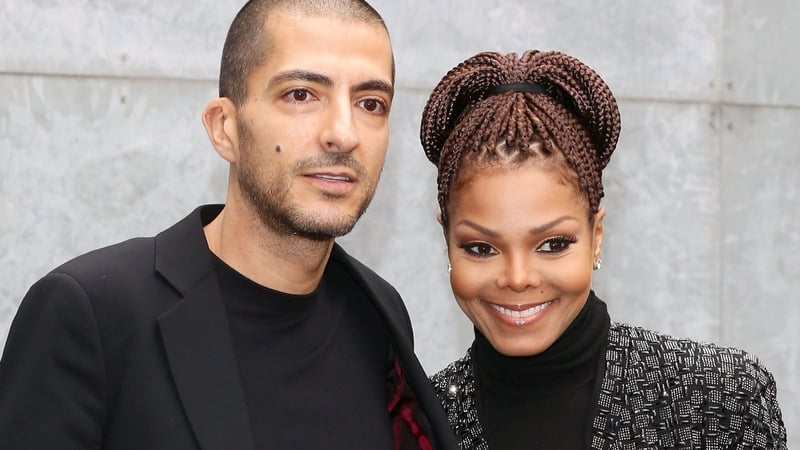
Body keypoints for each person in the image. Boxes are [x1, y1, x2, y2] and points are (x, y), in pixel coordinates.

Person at [0, 1, 459, 449]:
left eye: (371, 102)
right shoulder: (91, 313)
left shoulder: (378, 313)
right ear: (225, 127)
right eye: (301, 94)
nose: (344, 132)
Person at [420, 50, 787, 449]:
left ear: (596, 235)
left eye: (553, 244)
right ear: (447, 243)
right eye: (480, 248)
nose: (518, 278)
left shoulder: (723, 399)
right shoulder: (416, 425)